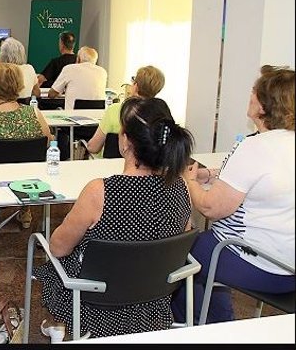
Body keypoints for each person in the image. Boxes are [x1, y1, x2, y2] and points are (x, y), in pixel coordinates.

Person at [34, 96, 194, 340]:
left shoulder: (100, 191)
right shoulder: (180, 187)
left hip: (94, 301)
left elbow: (57, 248)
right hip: (153, 298)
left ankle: (60, 324)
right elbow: (181, 239)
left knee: (54, 263)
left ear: (126, 141)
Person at [172, 66, 295, 325]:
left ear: (264, 106)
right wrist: (213, 175)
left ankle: (187, 328)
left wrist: (188, 179)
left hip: (261, 266)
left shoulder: (255, 147)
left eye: (254, 91)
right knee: (210, 248)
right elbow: (266, 181)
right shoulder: (282, 143)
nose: (249, 94)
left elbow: (210, 208)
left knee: (175, 250)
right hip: (289, 264)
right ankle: (219, 320)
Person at [0, 63, 52, 229]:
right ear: (18, 87)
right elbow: (47, 141)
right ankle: (25, 210)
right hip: (30, 175)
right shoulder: (34, 113)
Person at [86, 65, 165, 156]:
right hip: (145, 168)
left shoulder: (115, 110)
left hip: (109, 167)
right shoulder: (160, 115)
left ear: (136, 86)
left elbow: (93, 148)